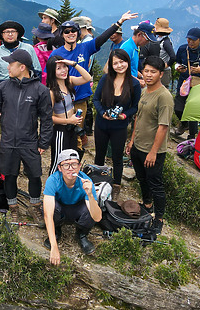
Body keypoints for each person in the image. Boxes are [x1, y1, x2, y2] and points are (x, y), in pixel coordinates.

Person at [0, 49, 53, 226]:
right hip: (8, 141)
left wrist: (44, 142)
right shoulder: (3, 87)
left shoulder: (40, 89)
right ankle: (13, 208)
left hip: (30, 142)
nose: (7, 66)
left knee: (34, 176)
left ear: (22, 67)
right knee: (9, 176)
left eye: (11, 64)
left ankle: (34, 206)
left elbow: (47, 119)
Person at [49, 11, 138, 147]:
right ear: (62, 34)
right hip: (62, 98)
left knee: (76, 133)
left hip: (80, 98)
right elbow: (49, 75)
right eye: (67, 31)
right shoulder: (56, 53)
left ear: (78, 33)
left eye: (74, 30)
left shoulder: (85, 47)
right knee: (62, 131)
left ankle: (75, 159)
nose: (70, 33)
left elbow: (102, 38)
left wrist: (119, 23)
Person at [126, 56, 174, 235]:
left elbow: (163, 127)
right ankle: (147, 205)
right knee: (142, 179)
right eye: (146, 71)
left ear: (161, 74)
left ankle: (159, 219)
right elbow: (138, 117)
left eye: (153, 72)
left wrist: (153, 152)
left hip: (153, 151)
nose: (148, 75)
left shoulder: (164, 97)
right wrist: (132, 141)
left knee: (155, 184)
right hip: (138, 146)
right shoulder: (145, 91)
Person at [94, 49, 142, 201]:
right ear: (111, 64)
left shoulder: (134, 83)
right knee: (99, 155)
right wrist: (102, 113)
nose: (119, 65)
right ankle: (98, 182)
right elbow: (96, 99)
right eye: (115, 63)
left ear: (128, 62)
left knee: (117, 158)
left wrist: (125, 115)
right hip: (102, 124)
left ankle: (116, 186)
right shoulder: (105, 79)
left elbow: (135, 106)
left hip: (119, 127)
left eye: (122, 62)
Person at [43, 149, 102, 264]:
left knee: (89, 209)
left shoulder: (86, 181)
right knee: (50, 207)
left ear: (79, 166)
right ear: (60, 168)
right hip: (60, 209)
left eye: (74, 164)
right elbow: (48, 215)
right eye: (66, 165)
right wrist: (54, 247)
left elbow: (98, 218)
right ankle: (56, 232)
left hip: (77, 209)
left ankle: (81, 234)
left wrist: (90, 195)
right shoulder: (53, 180)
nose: (71, 168)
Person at [46, 55, 92, 172]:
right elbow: (48, 118)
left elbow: (87, 78)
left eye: (64, 67)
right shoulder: (51, 91)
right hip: (60, 131)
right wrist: (68, 121)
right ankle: (53, 188)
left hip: (72, 129)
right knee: (58, 162)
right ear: (52, 71)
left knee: (71, 160)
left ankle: (66, 187)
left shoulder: (69, 81)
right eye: (58, 68)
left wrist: (72, 63)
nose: (63, 70)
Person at [173, 27, 200, 139]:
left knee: (192, 108)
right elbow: (176, 63)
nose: (190, 42)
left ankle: (192, 135)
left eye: (193, 40)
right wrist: (178, 68)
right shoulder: (183, 49)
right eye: (188, 39)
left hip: (197, 84)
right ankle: (184, 123)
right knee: (178, 107)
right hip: (183, 82)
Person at [145, 17, 176, 88]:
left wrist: (166, 65)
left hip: (164, 72)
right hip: (157, 70)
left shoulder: (166, 42)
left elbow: (173, 57)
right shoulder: (159, 39)